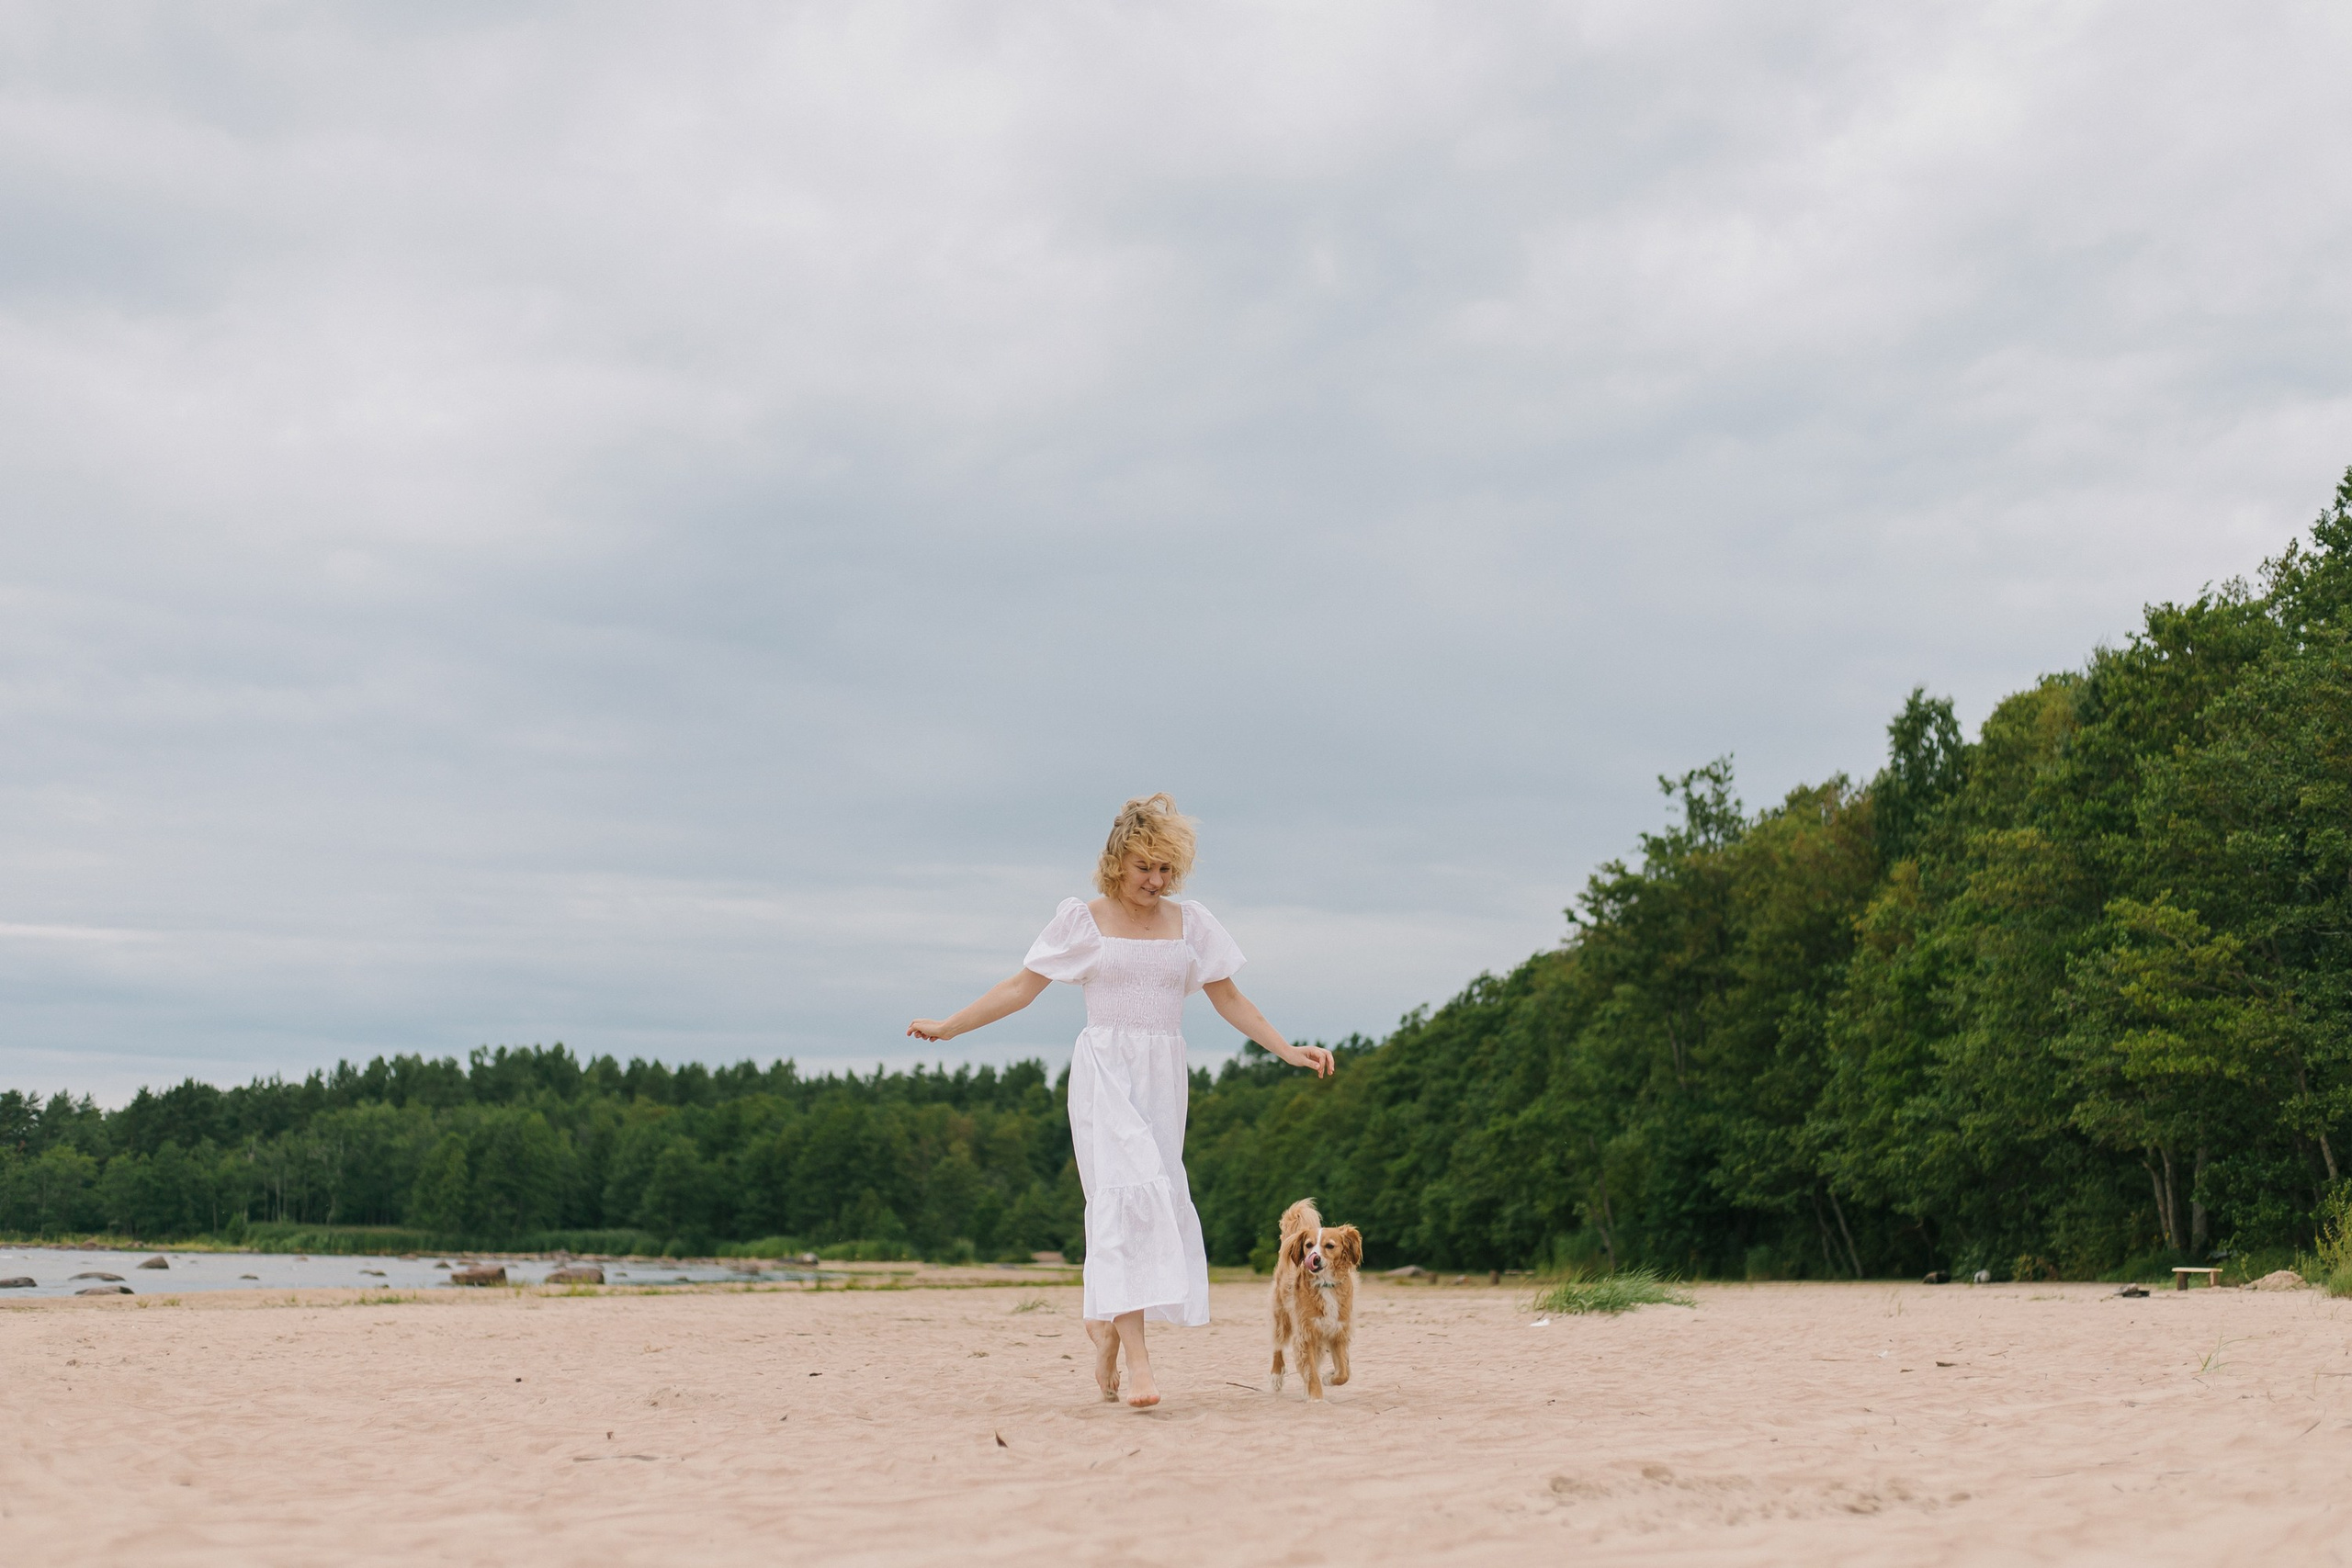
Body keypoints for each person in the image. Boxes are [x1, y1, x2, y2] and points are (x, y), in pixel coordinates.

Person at [908, 793, 1334, 1408]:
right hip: (1104, 1074)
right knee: (1119, 1200)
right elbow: (1020, 988)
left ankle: (1106, 1327)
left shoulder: (1192, 924)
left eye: (1166, 869)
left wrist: (1287, 1049)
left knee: (1152, 1202)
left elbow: (1231, 999)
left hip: (1162, 1078)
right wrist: (949, 1025)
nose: (1156, 881)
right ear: (1116, 861)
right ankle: (1141, 1368)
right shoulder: (1083, 920)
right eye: (1144, 868)